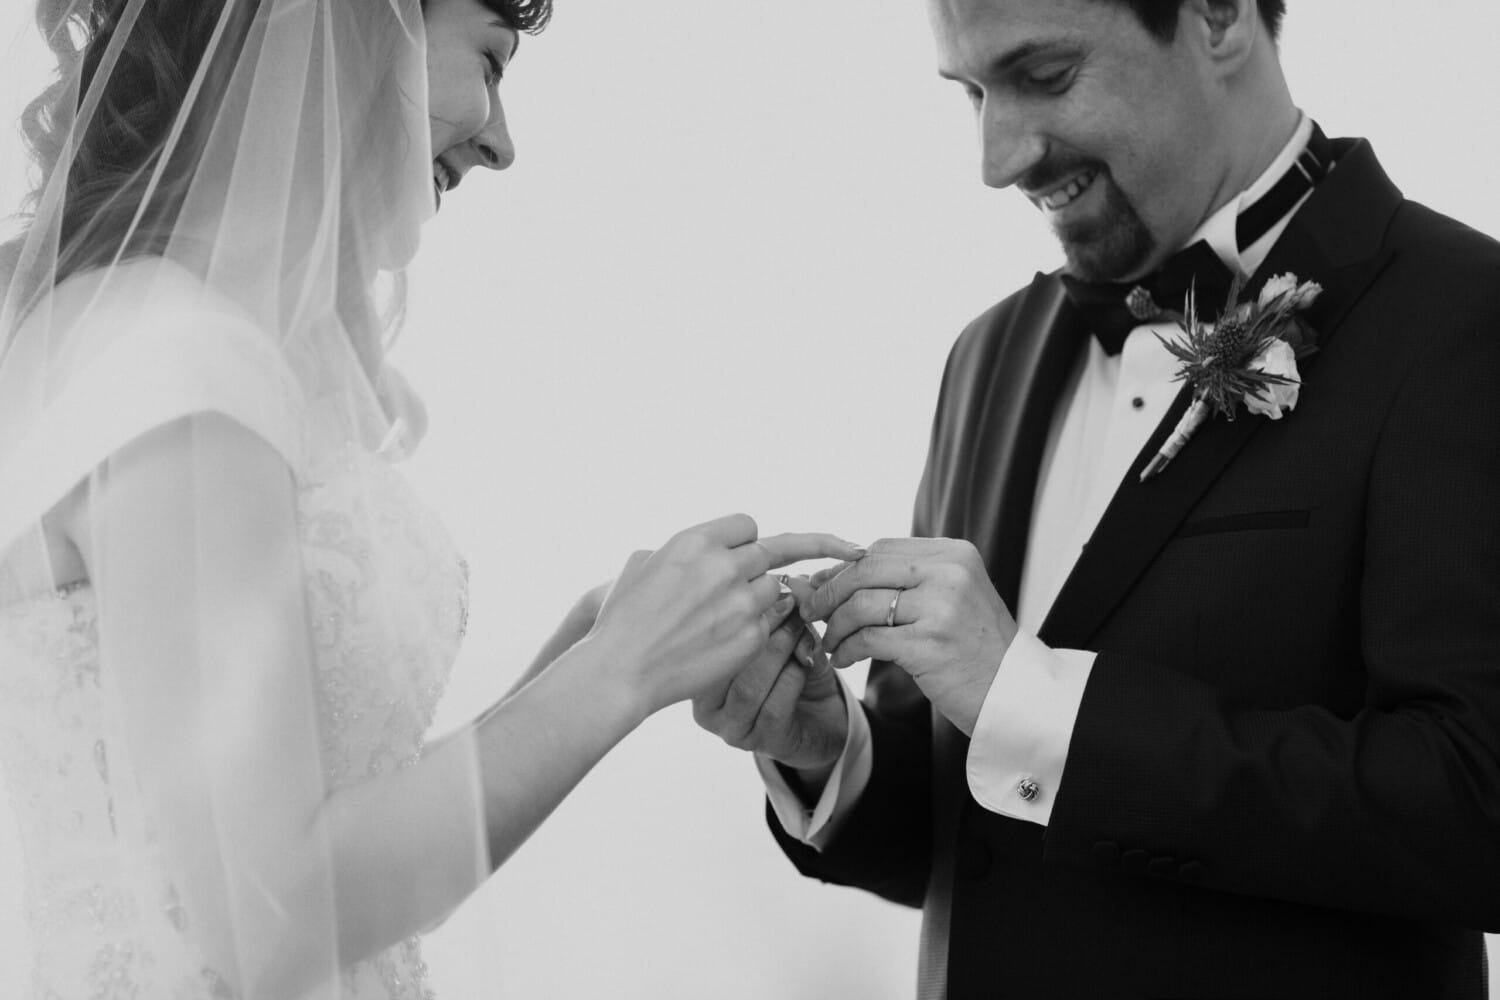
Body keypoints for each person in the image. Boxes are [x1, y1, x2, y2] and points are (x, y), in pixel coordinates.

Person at [0, 0, 858, 997]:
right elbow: (268, 920)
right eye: (490, 63)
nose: (502, 143)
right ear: (359, 24)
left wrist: (594, 646)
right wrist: (622, 669)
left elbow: (358, 877)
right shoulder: (169, 359)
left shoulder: (154, 338)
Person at [692, 0, 1500, 996]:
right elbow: (986, 840)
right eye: (974, 93)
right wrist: (829, 753)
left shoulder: (1465, 318)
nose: (996, 160)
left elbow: (1476, 809)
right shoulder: (987, 354)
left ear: (1218, 16)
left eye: (1045, 76)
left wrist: (1041, 705)